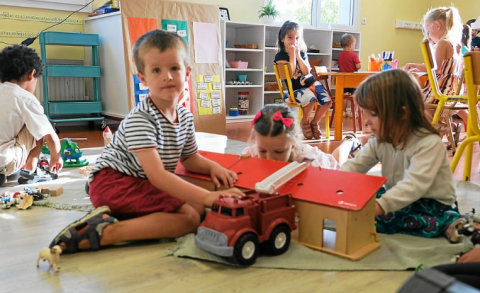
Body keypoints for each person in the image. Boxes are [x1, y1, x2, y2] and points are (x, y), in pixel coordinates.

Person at [49, 30, 244, 253]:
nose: (167, 76)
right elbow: (158, 176)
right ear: (143, 78)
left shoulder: (186, 117)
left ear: (187, 72)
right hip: (115, 181)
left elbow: (189, 158)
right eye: (156, 70)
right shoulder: (141, 119)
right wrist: (210, 196)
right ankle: (103, 233)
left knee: (198, 206)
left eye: (174, 68)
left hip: (139, 181)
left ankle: (115, 214)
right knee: (190, 218)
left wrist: (214, 168)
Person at [340, 69, 464, 241]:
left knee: (380, 217)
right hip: (399, 196)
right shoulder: (379, 141)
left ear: (403, 113)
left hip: (432, 205)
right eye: (365, 113)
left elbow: (413, 185)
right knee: (361, 194)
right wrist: (335, 183)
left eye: (373, 114)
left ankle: (450, 222)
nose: (367, 121)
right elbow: (355, 166)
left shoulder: (428, 144)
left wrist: (379, 206)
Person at [403, 6, 467, 147]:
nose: (427, 35)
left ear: (437, 25)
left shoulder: (442, 43)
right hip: (453, 89)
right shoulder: (454, 43)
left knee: (419, 108)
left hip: (441, 89)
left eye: (428, 30)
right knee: (430, 114)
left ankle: (435, 137)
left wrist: (413, 65)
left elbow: (435, 68)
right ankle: (449, 130)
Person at [0, 44, 62, 187]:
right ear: (32, 74)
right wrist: (56, 157)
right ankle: (30, 168)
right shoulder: (26, 99)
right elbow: (49, 135)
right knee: (36, 126)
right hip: (5, 162)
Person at [243, 104, 361, 169]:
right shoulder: (250, 154)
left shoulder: (311, 163)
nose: (269, 159)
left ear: (294, 143)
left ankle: (349, 141)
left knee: (338, 161)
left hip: (327, 166)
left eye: (279, 152)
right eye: (262, 150)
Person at [274, 20, 332, 140]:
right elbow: (291, 74)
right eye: (290, 37)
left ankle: (314, 123)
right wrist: (292, 55)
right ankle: (305, 123)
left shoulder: (301, 53)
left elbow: (306, 71)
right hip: (295, 88)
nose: (294, 41)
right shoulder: (280, 56)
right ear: (282, 38)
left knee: (327, 101)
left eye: (297, 38)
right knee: (311, 99)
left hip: (310, 82)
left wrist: (298, 55)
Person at [337, 33, 361, 117]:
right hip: (352, 79)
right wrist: (359, 64)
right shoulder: (354, 55)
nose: (354, 47)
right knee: (355, 95)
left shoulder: (340, 56)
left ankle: (343, 112)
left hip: (343, 79)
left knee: (345, 95)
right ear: (351, 45)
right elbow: (358, 67)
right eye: (354, 45)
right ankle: (353, 112)